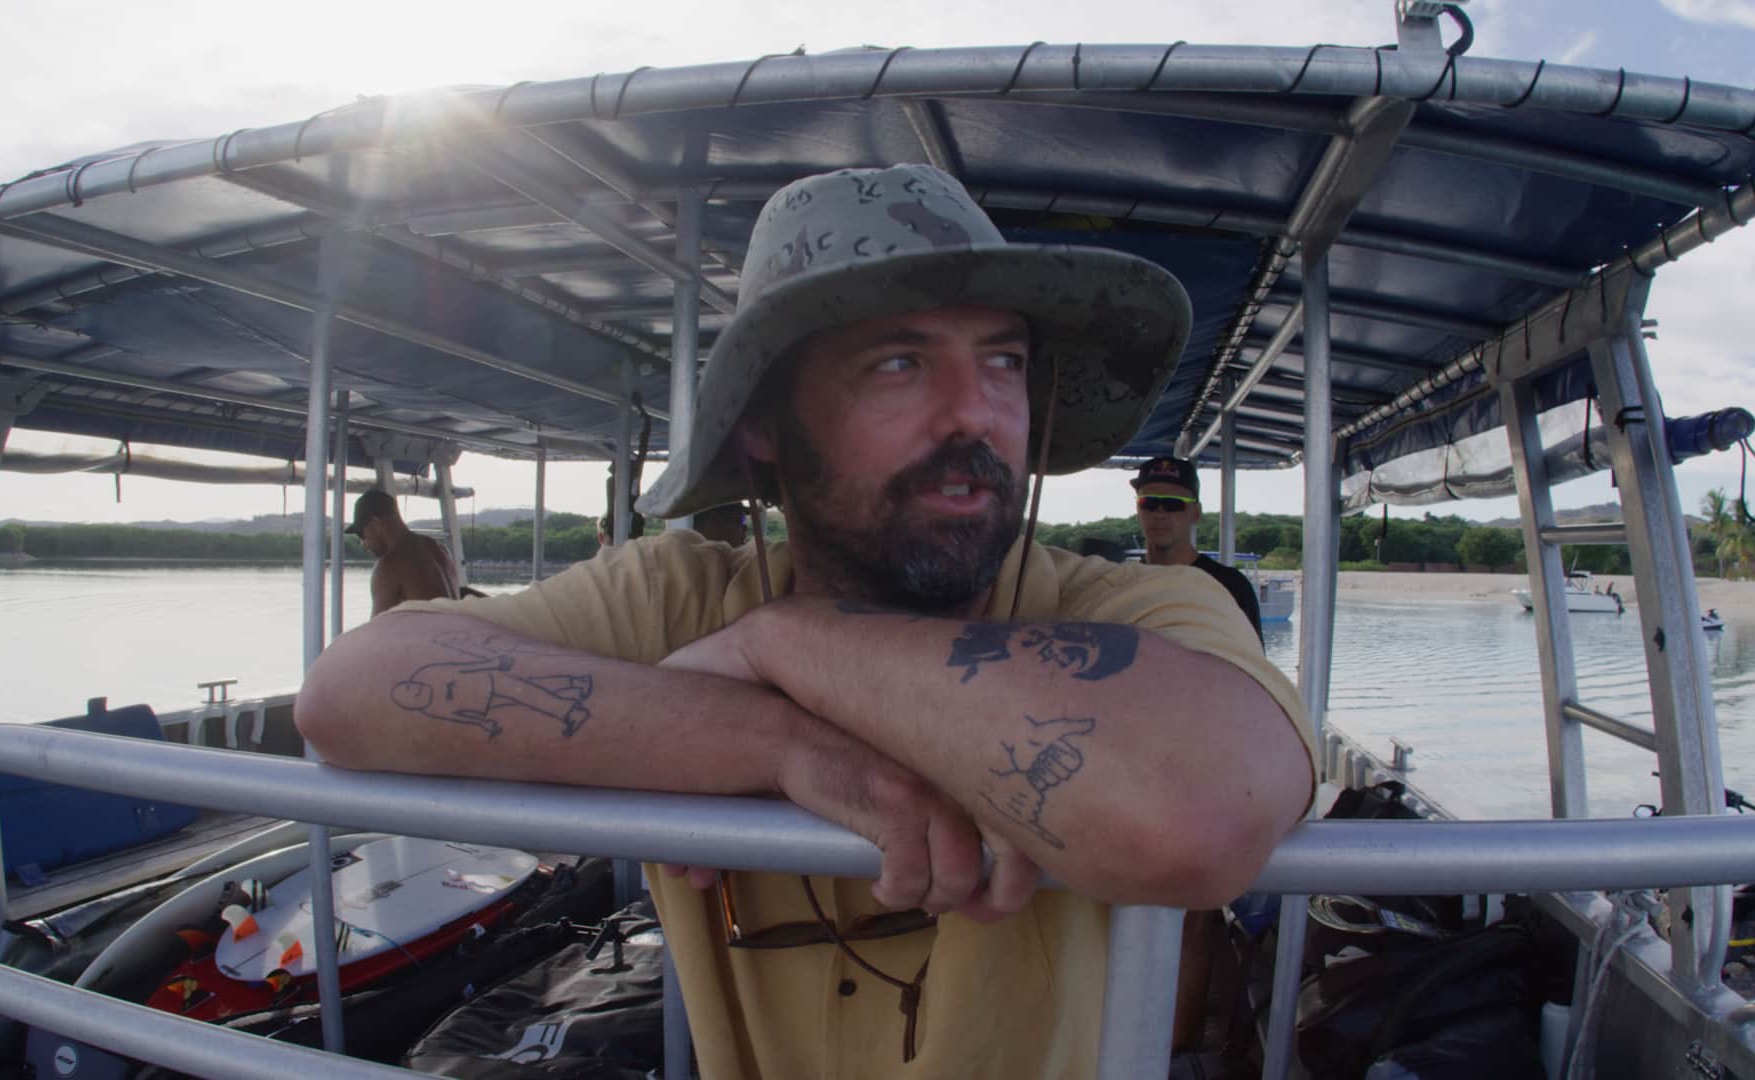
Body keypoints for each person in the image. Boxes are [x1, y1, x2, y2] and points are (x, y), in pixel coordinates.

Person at [298, 163, 1312, 1078]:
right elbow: (349, 692)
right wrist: (778, 742)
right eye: (898, 363)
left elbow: (1202, 813)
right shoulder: (682, 598)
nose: (975, 413)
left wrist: (785, 643)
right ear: (766, 424)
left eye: (1003, 361)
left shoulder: (1117, 607)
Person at [1132, 456, 1263, 641]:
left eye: (1173, 503)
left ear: (1196, 513)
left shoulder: (1231, 586)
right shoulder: (1126, 584)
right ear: (1138, 510)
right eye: (1149, 503)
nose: (1160, 514)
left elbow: (1252, 664)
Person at [345, 488, 462, 617]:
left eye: (361, 534)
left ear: (375, 523)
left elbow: (377, 632)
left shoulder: (389, 566)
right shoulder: (441, 550)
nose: (364, 544)